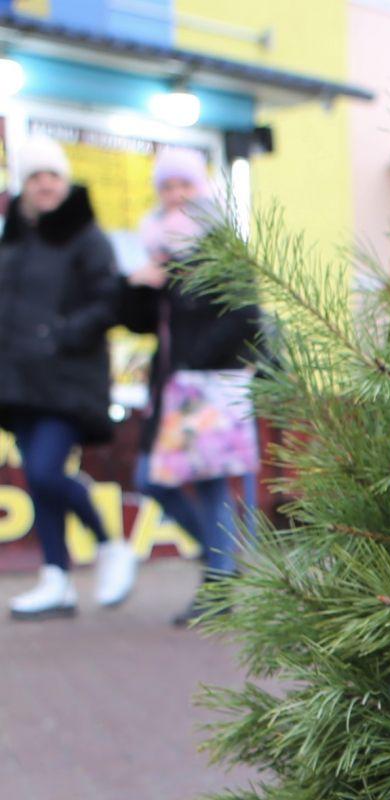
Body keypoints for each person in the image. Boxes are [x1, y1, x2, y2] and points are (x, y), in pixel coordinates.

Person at [120, 145, 264, 626]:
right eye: (167, 186)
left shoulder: (220, 246)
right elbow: (141, 323)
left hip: (206, 383)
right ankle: (218, 554)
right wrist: (140, 285)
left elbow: (247, 316)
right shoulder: (159, 249)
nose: (176, 194)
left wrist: (196, 365)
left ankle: (220, 581)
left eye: (184, 184)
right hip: (169, 385)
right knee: (149, 479)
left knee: (206, 481)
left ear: (199, 189)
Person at [1, 135, 134, 620]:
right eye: (35, 177)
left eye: (52, 175)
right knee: (39, 481)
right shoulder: (13, 240)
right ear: (24, 186)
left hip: (68, 379)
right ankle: (56, 578)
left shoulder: (87, 237)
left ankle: (109, 545)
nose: (45, 185)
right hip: (17, 381)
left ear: (65, 180)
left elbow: (107, 301)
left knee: (43, 471)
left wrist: (61, 334)